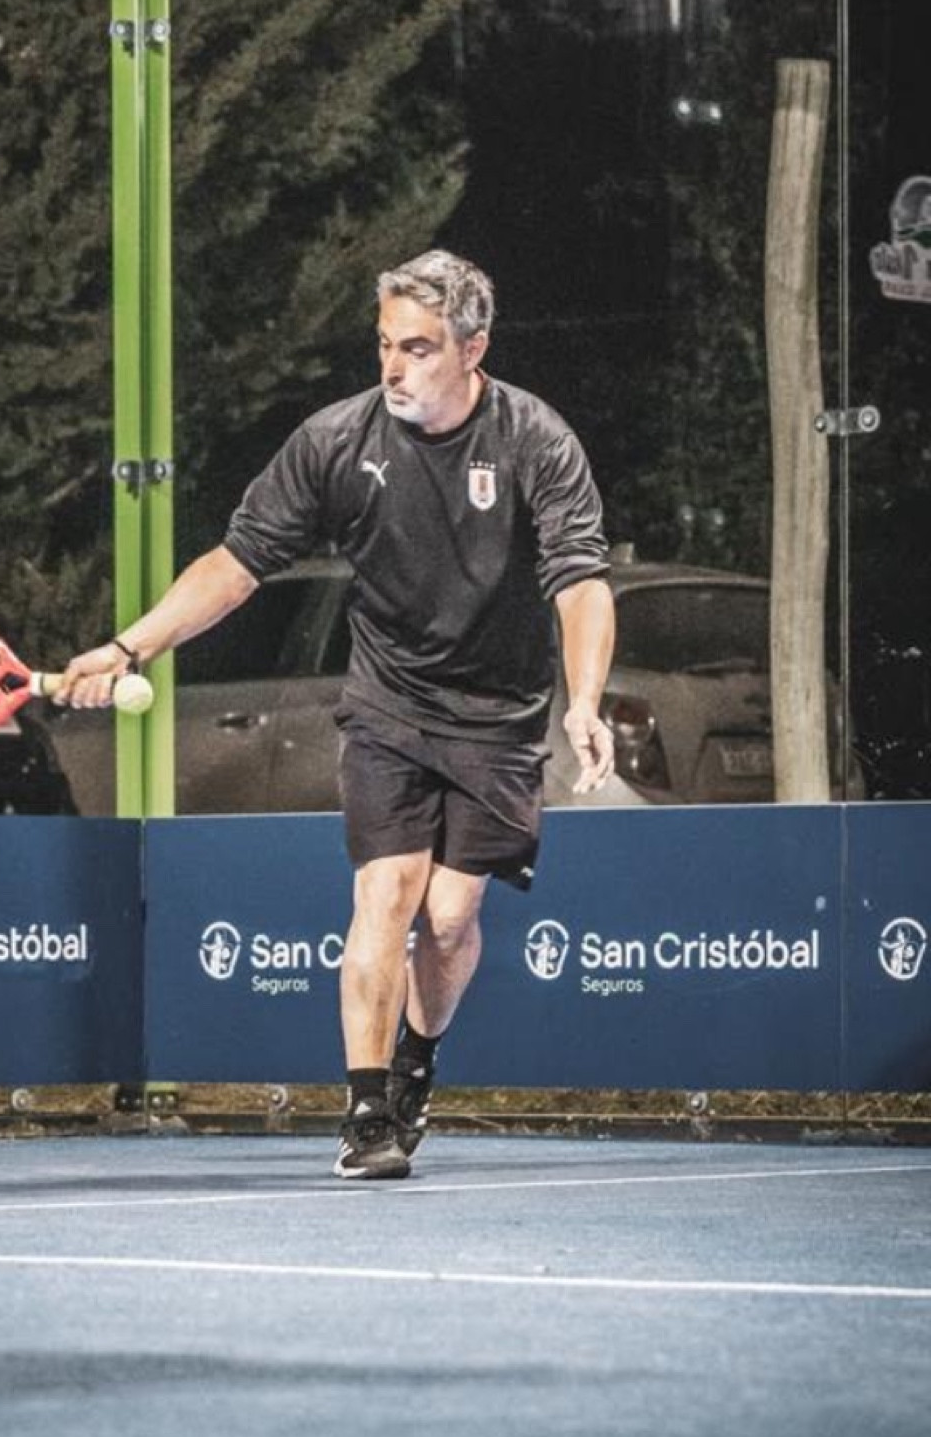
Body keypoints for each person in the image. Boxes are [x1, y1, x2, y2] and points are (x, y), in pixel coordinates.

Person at [59, 249, 616, 1180]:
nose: (394, 366)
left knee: (449, 919)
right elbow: (235, 565)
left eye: (418, 347)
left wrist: (586, 698)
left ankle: (415, 1063)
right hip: (389, 701)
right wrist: (129, 647)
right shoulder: (335, 441)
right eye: (385, 344)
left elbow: (581, 581)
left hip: (499, 713)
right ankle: (365, 1115)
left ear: (472, 347)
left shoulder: (536, 440)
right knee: (385, 892)